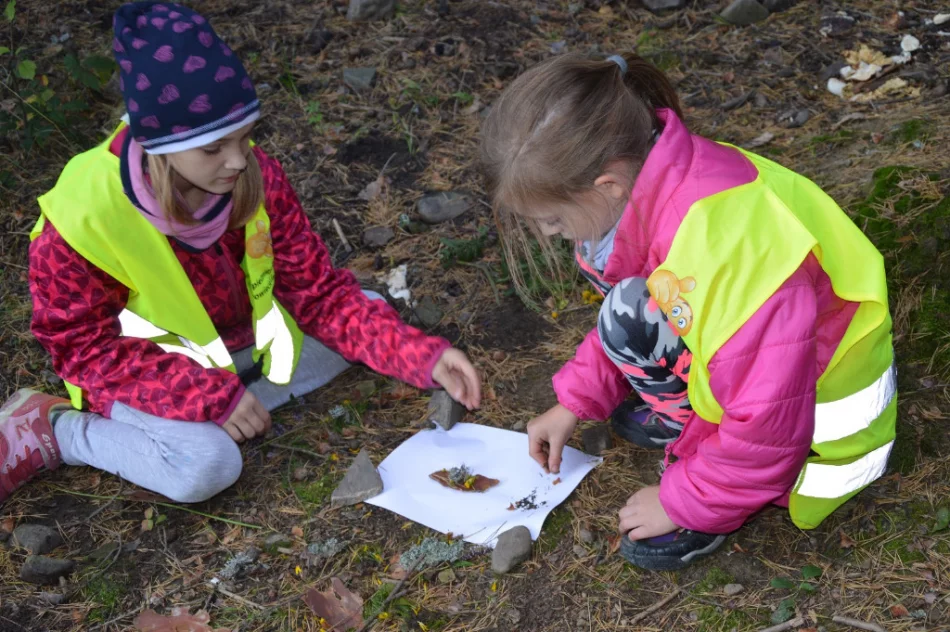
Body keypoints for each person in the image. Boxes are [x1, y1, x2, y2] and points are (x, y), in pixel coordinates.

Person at [0, 1, 480, 505]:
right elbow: (82, 350)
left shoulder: (256, 175)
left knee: (371, 317)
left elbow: (317, 296)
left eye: (245, 138)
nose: (237, 161)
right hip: (144, 375)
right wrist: (203, 396)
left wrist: (424, 356)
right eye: (213, 148)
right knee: (205, 466)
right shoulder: (82, 221)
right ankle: (58, 429)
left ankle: (237, 396)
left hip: (238, 350)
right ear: (159, 144)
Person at [480, 52, 895, 570]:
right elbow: (648, 304)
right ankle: (693, 427)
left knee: (633, 312)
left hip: (818, 426)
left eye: (552, 220)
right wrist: (576, 402)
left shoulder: (719, 251)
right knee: (628, 307)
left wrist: (681, 501)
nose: (547, 233)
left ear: (605, 185)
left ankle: (712, 497)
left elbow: (768, 419)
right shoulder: (663, 181)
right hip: (767, 366)